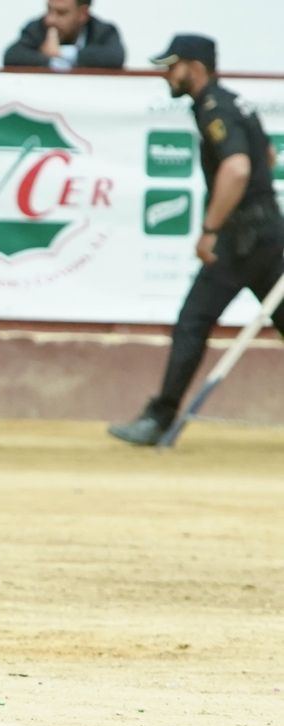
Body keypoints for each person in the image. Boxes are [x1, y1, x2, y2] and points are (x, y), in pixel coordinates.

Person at [109, 35, 284, 447]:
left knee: (192, 323)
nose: (167, 74)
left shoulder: (213, 107)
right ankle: (158, 416)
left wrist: (210, 230)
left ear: (195, 66)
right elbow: (267, 158)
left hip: (241, 238)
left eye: (173, 66)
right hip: (268, 232)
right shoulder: (233, 102)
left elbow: (238, 168)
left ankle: (158, 418)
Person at [2, 0, 123, 71]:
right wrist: (50, 61)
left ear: (83, 14)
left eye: (61, 13)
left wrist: (62, 53)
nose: (51, 19)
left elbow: (115, 56)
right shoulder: (38, 27)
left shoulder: (102, 31)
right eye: (49, 10)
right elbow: (12, 55)